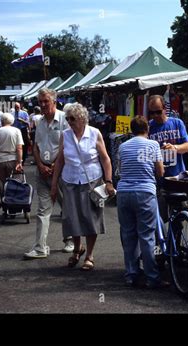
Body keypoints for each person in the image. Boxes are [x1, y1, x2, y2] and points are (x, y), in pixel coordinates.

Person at [51, 102, 115, 271]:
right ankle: (77, 249)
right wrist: (53, 184)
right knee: (72, 218)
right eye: (67, 118)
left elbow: (106, 159)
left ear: (82, 119)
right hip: (70, 180)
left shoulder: (94, 133)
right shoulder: (65, 135)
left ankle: (90, 255)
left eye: (72, 118)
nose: (69, 122)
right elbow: (60, 160)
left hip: (91, 181)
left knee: (90, 217)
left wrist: (108, 181)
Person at [117, 116, 169, 288]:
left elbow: (121, 169)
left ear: (132, 130)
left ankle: (131, 274)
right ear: (147, 128)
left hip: (124, 192)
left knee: (128, 235)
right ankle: (152, 277)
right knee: (146, 237)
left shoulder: (123, 146)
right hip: (145, 192)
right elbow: (160, 172)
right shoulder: (153, 145)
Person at [24, 89, 72, 259]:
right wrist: (40, 165)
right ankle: (40, 247)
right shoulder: (40, 122)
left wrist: (53, 165)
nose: (42, 105)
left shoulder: (65, 120)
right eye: (40, 102)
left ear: (54, 101)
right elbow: (35, 147)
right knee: (43, 211)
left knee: (66, 207)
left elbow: (67, 147)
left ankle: (70, 240)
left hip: (60, 171)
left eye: (46, 101)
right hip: (42, 171)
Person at [148, 95, 188, 177]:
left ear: (164, 109)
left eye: (158, 112)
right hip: (157, 177)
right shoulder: (148, 127)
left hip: (177, 175)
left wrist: (174, 148)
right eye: (152, 113)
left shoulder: (177, 123)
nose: (155, 115)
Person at [0, 113, 23, 199]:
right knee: (15, 182)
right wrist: (19, 162)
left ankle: (5, 204)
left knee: (1, 183)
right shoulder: (16, 131)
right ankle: (14, 202)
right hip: (13, 159)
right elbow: (19, 148)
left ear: (1, 121)